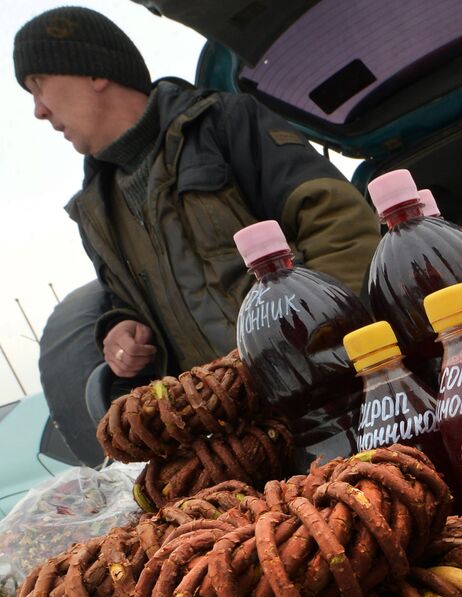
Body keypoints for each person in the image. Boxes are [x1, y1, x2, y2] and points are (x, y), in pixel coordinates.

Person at [13, 5, 381, 429]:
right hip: (235, 435)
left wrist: (314, 346)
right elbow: (125, 305)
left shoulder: (223, 123)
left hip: (339, 398)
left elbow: (343, 228)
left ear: (94, 72)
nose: (39, 111)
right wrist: (122, 330)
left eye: (38, 86)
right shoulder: (95, 209)